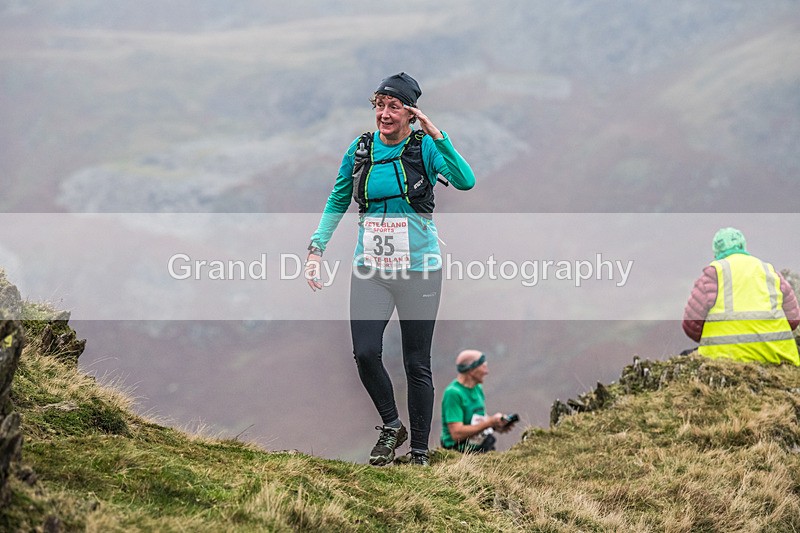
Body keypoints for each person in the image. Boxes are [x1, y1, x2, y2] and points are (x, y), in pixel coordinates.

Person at [305, 73, 475, 466]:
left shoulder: (425, 148)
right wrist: (316, 248)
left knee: (417, 362)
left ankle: (418, 452)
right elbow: (338, 197)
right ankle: (390, 425)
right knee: (365, 352)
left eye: (393, 106)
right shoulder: (361, 149)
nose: (383, 113)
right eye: (379, 105)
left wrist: (436, 133)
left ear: (410, 113)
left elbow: (465, 181)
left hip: (420, 271)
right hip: (372, 270)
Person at [682, 227, 800, 365]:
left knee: (685, 356)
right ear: (743, 246)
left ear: (716, 252)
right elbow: (793, 319)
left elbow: (691, 324)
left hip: (723, 358)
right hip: (778, 356)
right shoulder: (769, 271)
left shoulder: (714, 274)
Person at [440, 350, 516, 453]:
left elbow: (478, 419)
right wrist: (489, 423)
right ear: (471, 370)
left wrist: (496, 424)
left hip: (480, 447)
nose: (486, 372)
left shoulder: (477, 388)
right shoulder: (453, 393)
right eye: (483, 367)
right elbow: (456, 433)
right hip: (459, 451)